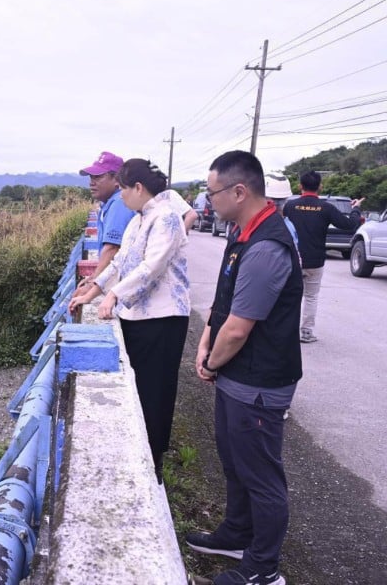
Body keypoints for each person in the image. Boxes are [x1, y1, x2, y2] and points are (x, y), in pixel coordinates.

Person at [188, 151, 302, 585]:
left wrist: (212, 361)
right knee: (235, 462)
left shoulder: (268, 244)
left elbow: (238, 329)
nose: (207, 200)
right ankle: (236, 534)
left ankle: (264, 570)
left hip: (258, 382)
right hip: (236, 376)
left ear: (239, 191)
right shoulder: (241, 232)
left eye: (212, 192)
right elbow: (224, 305)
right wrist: (204, 343)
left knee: (262, 475)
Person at [68, 158, 189, 482]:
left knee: (156, 393)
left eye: (123, 188)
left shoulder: (166, 218)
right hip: (138, 317)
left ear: (138, 187)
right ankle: (140, 456)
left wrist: (113, 296)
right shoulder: (140, 218)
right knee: (138, 388)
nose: (121, 196)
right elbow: (121, 261)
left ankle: (153, 466)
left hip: (163, 319)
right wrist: (92, 292)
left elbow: (151, 268)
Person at [282, 171, 364, 343]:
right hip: (315, 261)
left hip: (292, 260)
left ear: (300, 186)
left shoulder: (290, 206)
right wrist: (355, 208)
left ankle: (286, 333)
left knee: (290, 297)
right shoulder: (326, 208)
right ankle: (306, 332)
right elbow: (349, 225)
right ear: (320, 186)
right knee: (311, 296)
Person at [73, 151, 135, 295]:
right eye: (91, 177)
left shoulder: (119, 203)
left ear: (117, 179)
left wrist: (94, 281)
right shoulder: (111, 203)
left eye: (98, 176)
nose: (91, 182)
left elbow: (112, 248)